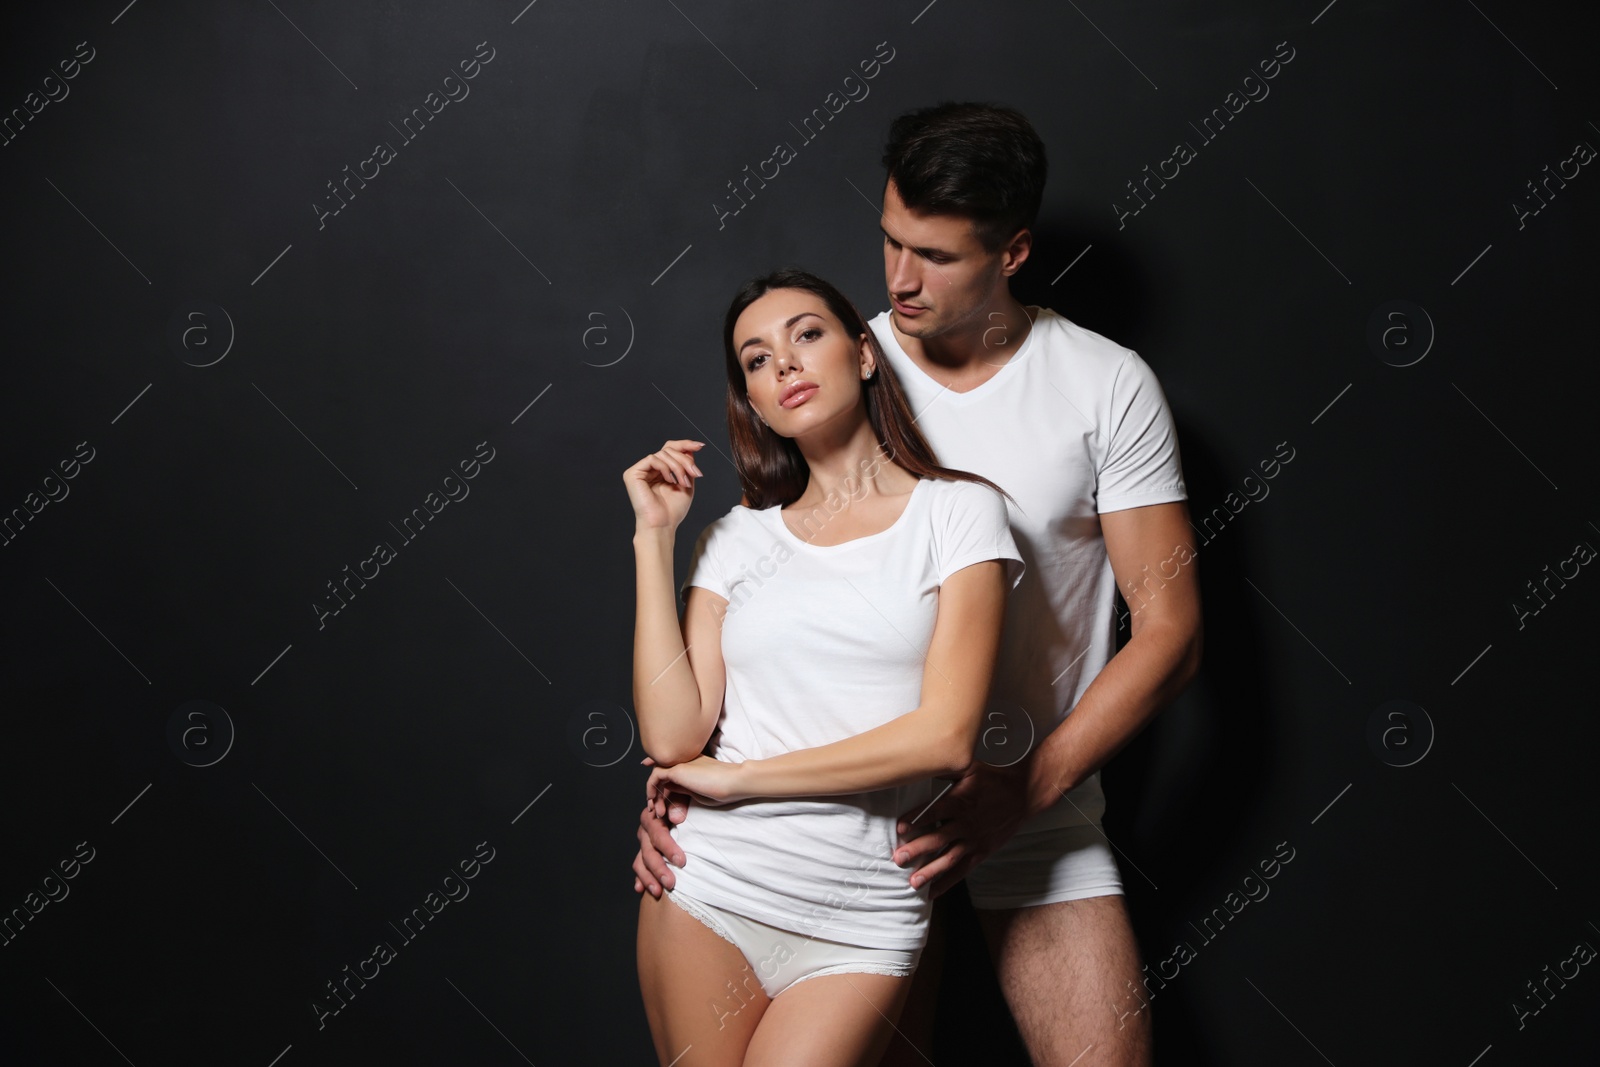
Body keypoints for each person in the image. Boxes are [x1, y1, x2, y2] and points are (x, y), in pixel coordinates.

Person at [633, 103, 1204, 1066]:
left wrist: (1024, 790)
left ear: (1013, 252)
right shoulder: (829, 359)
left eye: (934, 256)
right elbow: (764, 589)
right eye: (890, 240)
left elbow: (1171, 632)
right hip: (845, 824)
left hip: (1027, 803)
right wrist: (685, 791)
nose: (899, 280)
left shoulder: (1105, 384)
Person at [627, 267, 1028, 1067]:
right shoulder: (734, 541)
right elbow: (675, 737)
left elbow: (945, 738)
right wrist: (653, 539)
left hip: (863, 913)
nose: (784, 363)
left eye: (806, 334)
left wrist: (740, 780)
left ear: (866, 355)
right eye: (756, 358)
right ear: (754, 400)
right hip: (712, 887)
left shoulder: (959, 513)